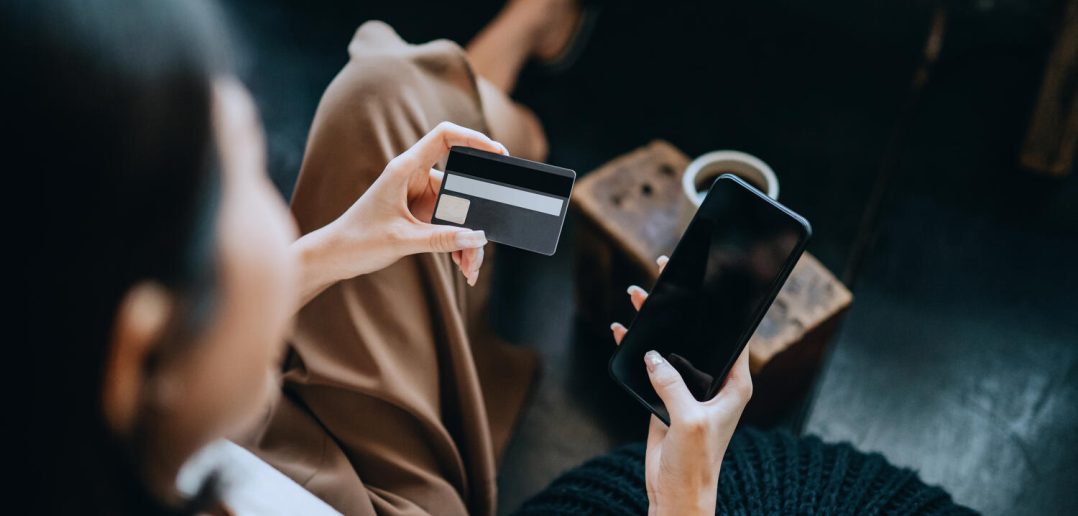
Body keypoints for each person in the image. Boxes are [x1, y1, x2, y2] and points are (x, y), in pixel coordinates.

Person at [19, 0, 750, 514]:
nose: (279, 201)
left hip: (250, 445)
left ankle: (516, 59)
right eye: (240, 175)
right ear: (140, 354)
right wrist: (683, 501)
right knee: (412, 108)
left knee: (380, 98)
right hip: (370, 498)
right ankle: (517, 79)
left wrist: (339, 249)